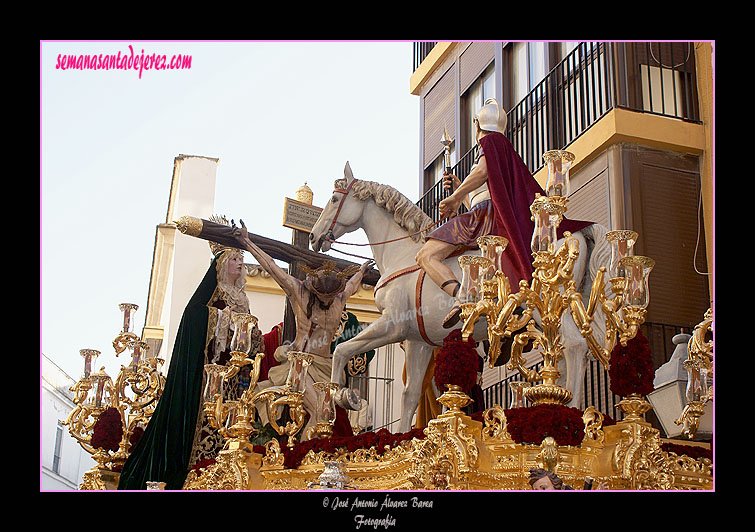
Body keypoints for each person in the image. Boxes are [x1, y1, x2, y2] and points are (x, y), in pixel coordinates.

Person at [414, 98, 594, 328]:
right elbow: (482, 196)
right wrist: (461, 188)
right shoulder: (502, 147)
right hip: (484, 216)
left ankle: (463, 297)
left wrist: (455, 195)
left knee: (425, 255)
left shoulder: (490, 142)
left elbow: (481, 172)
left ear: (476, 125)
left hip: (482, 218)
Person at [118, 243, 260, 490]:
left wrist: (252, 334)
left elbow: (246, 338)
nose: (240, 263)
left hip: (234, 378)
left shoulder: (243, 297)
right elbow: (194, 315)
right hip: (208, 374)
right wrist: (223, 318)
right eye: (234, 258)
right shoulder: (214, 293)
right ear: (221, 264)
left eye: (241, 258)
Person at [231, 222, 374, 437]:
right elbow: (271, 266)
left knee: (326, 417)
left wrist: (362, 270)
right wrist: (246, 241)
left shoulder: (339, 300)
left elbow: (353, 283)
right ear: (313, 288)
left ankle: (310, 457)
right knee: (319, 411)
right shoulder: (300, 293)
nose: (326, 300)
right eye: (322, 296)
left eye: (330, 296)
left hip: (326, 367)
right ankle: (303, 458)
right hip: (300, 364)